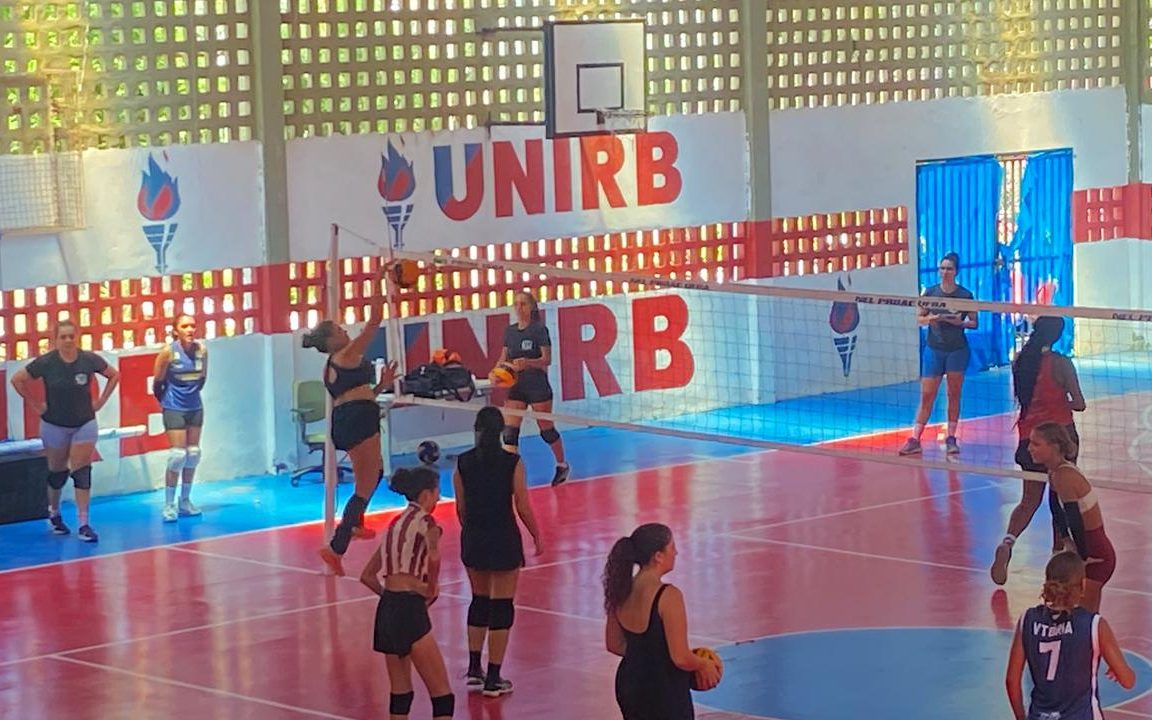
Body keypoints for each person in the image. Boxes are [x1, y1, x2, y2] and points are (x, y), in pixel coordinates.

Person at [303, 263, 400, 576]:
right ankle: (336, 547)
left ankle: (354, 524)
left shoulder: (335, 365)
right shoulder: (345, 354)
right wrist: (377, 281)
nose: (347, 332)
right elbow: (374, 321)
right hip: (357, 419)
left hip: (352, 417)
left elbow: (356, 393)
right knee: (366, 483)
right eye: (341, 331)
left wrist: (383, 384)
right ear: (332, 341)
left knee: (375, 473)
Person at [452, 406, 543, 697]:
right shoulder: (512, 462)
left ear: (476, 430)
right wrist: (536, 535)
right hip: (503, 536)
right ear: (501, 431)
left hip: (474, 537)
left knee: (478, 601)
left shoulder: (463, 463)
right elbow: (523, 505)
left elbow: (461, 508)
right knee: (502, 606)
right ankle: (493, 677)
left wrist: (472, 530)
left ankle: (474, 669)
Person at [991, 316, 1086, 585]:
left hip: (1029, 440)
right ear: (1056, 336)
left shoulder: (1021, 361)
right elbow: (1079, 403)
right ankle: (1059, 557)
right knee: (1062, 500)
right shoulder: (1061, 363)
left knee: (1029, 501)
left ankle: (1008, 543)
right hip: (1060, 438)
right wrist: (1062, 400)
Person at [10, 319, 120, 543]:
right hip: (55, 425)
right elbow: (17, 379)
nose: (68, 340)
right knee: (58, 472)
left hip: (84, 423)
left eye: (72, 336)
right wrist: (35, 405)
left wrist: (100, 401)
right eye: (64, 337)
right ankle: (54, 513)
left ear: (77, 337)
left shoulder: (88, 359)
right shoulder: (47, 362)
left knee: (82, 471)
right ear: (56, 340)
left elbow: (113, 374)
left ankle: (84, 523)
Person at [359, 466, 455, 720]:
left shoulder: (393, 525)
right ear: (425, 495)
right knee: (442, 696)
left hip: (387, 610)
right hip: (409, 610)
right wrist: (430, 587)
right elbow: (433, 557)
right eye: (436, 494)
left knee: (400, 694)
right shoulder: (427, 523)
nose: (437, 499)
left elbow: (367, 576)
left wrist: (390, 597)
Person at [603, 523, 720, 720]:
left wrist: (646, 655)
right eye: (672, 547)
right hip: (663, 687)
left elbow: (614, 644)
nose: (676, 552)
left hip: (629, 683)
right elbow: (680, 657)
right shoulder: (669, 596)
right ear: (658, 556)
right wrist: (703, 664)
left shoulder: (620, 589)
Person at [1005, 551, 1135, 720]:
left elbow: (1011, 681)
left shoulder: (1027, 620)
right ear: (1082, 586)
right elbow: (1128, 681)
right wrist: (1118, 667)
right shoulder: (1094, 624)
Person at [1026, 422, 1116, 612]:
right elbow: (1056, 510)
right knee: (1076, 615)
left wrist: (1081, 556)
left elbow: (1074, 518)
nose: (1029, 448)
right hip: (1086, 547)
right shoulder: (1054, 472)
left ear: (1054, 447)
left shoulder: (1064, 475)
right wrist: (1067, 541)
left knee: (1085, 618)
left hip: (1095, 553)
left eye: (1036, 444)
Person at [899, 252, 977, 456]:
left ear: (956, 271)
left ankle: (951, 437)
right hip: (934, 349)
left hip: (957, 350)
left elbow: (974, 323)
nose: (944, 272)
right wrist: (931, 318)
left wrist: (960, 323)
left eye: (949, 268)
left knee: (954, 394)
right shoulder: (930, 293)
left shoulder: (965, 295)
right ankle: (915, 438)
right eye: (942, 268)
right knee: (927, 395)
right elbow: (920, 318)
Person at [490, 290, 570, 486]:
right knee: (509, 432)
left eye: (523, 304)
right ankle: (510, 476)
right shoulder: (510, 331)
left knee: (546, 430)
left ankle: (562, 464)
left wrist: (528, 362)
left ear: (532, 307)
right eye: (516, 304)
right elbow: (504, 357)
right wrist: (495, 371)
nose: (519, 307)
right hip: (517, 385)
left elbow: (547, 360)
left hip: (537, 385)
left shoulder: (538, 330)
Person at [152, 313, 208, 522]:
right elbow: (157, 383)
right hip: (174, 407)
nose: (190, 330)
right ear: (176, 330)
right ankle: (169, 504)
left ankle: (185, 500)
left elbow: (202, 379)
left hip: (195, 406)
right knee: (178, 455)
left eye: (193, 326)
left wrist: (191, 396)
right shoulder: (168, 353)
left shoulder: (202, 351)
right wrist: (168, 402)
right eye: (185, 326)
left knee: (193, 454)